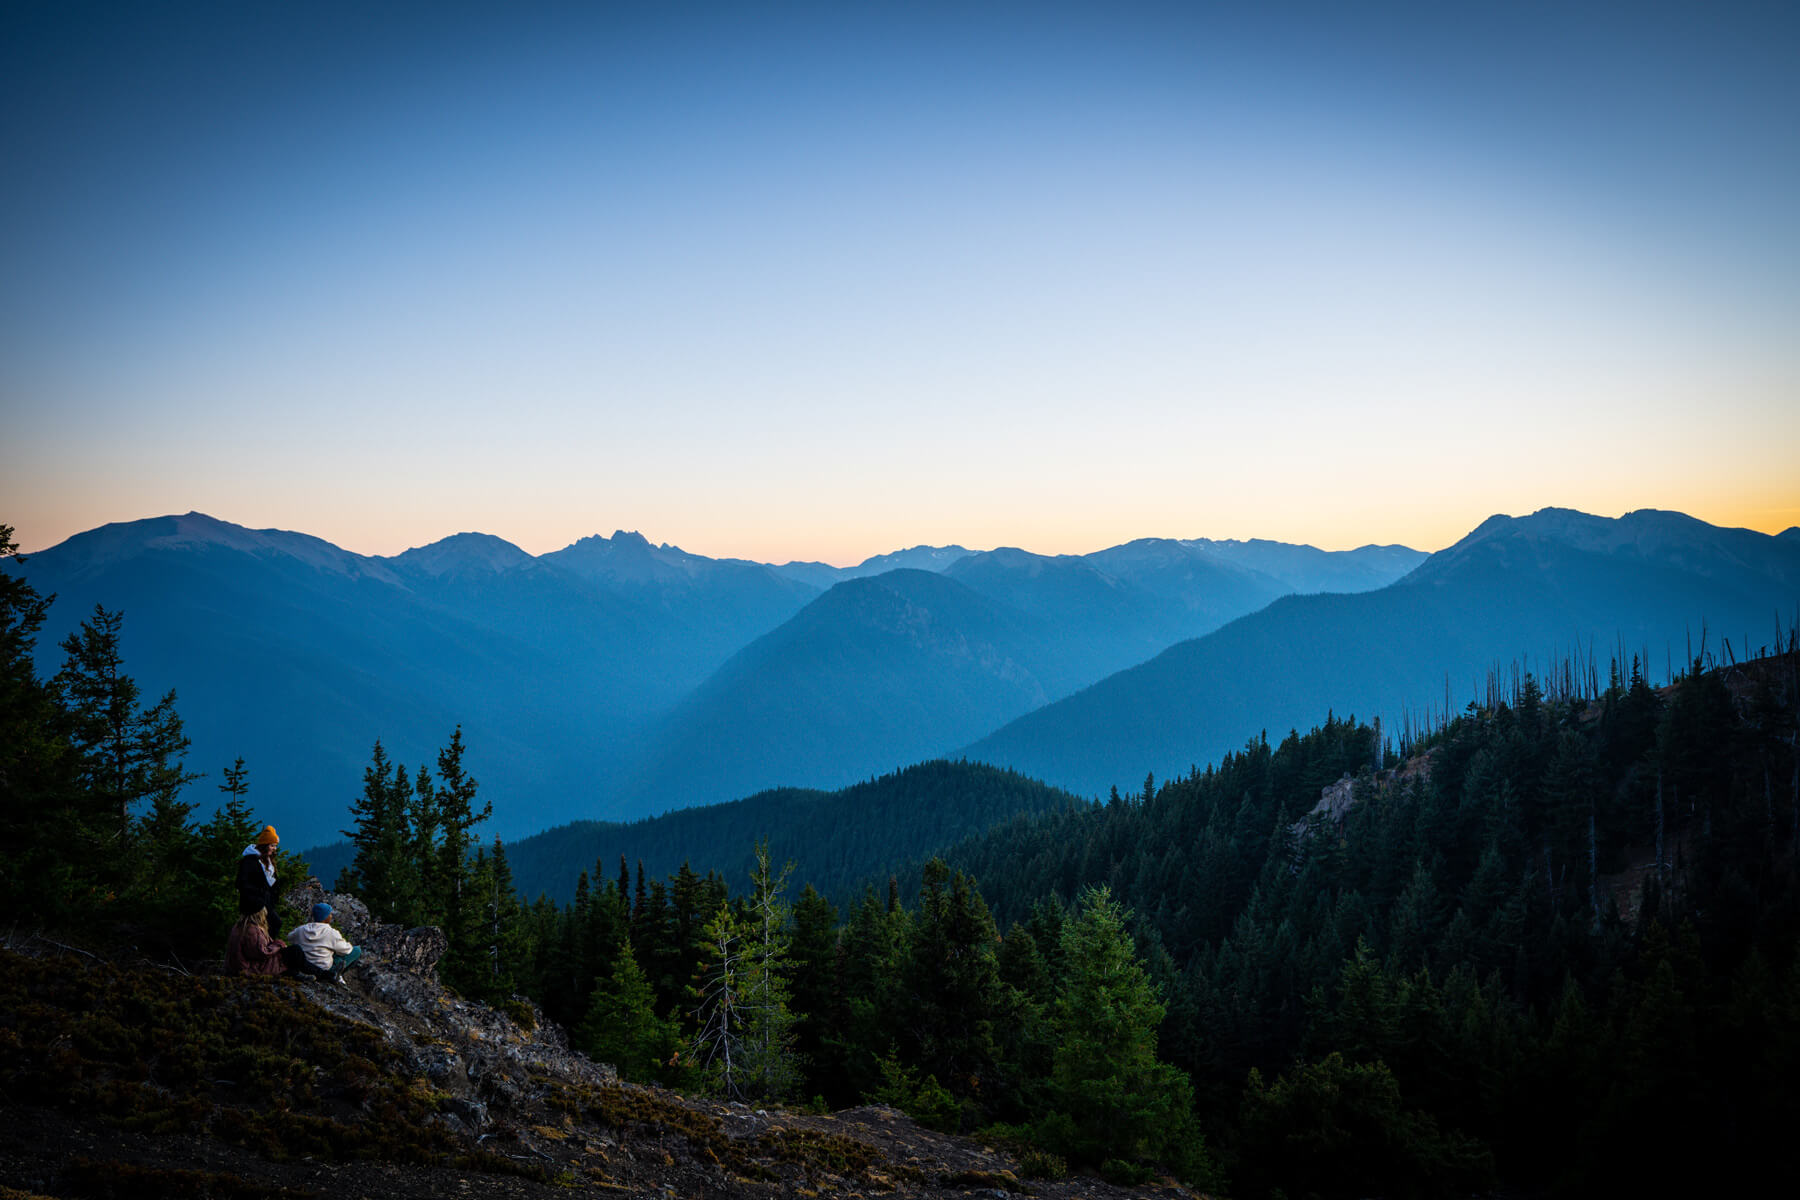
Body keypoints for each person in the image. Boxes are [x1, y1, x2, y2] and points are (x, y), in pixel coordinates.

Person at [287, 902, 363, 984]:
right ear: (325, 917)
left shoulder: (302, 929)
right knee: (357, 950)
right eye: (329, 914)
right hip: (323, 970)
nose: (331, 916)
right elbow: (346, 950)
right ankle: (336, 974)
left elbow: (289, 938)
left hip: (304, 965)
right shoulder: (331, 933)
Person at [224, 908, 290, 977]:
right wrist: (279, 945)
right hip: (248, 968)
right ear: (259, 914)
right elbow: (261, 953)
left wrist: (277, 945)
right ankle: (291, 972)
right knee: (294, 952)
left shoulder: (239, 926)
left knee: (290, 952)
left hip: (239, 965)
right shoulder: (252, 930)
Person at [237, 825, 281, 919]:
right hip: (254, 908)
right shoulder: (250, 861)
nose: (274, 849)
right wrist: (260, 899)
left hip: (266, 905)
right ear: (265, 845)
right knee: (276, 923)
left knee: (275, 924)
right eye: (272, 845)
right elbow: (242, 883)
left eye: (275, 846)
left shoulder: (268, 862)